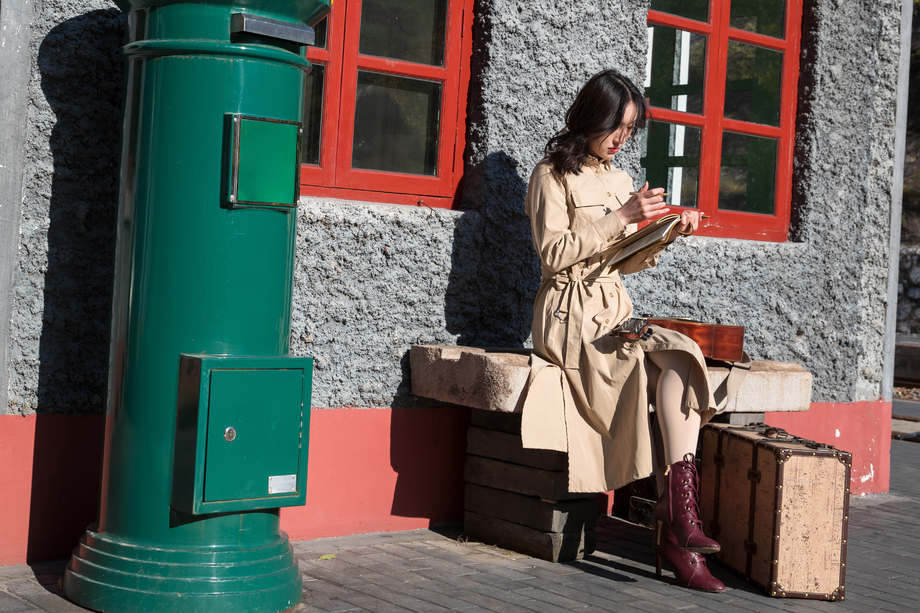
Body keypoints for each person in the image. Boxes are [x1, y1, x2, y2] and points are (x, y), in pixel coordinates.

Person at [523, 69, 724, 592]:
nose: (621, 140)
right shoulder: (550, 174)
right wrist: (621, 216)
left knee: (681, 355)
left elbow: (623, 263)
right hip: (569, 317)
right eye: (618, 126)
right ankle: (680, 537)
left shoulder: (617, 179)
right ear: (593, 116)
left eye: (631, 131)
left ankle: (678, 511)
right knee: (645, 367)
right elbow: (553, 256)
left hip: (613, 308)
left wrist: (665, 234)